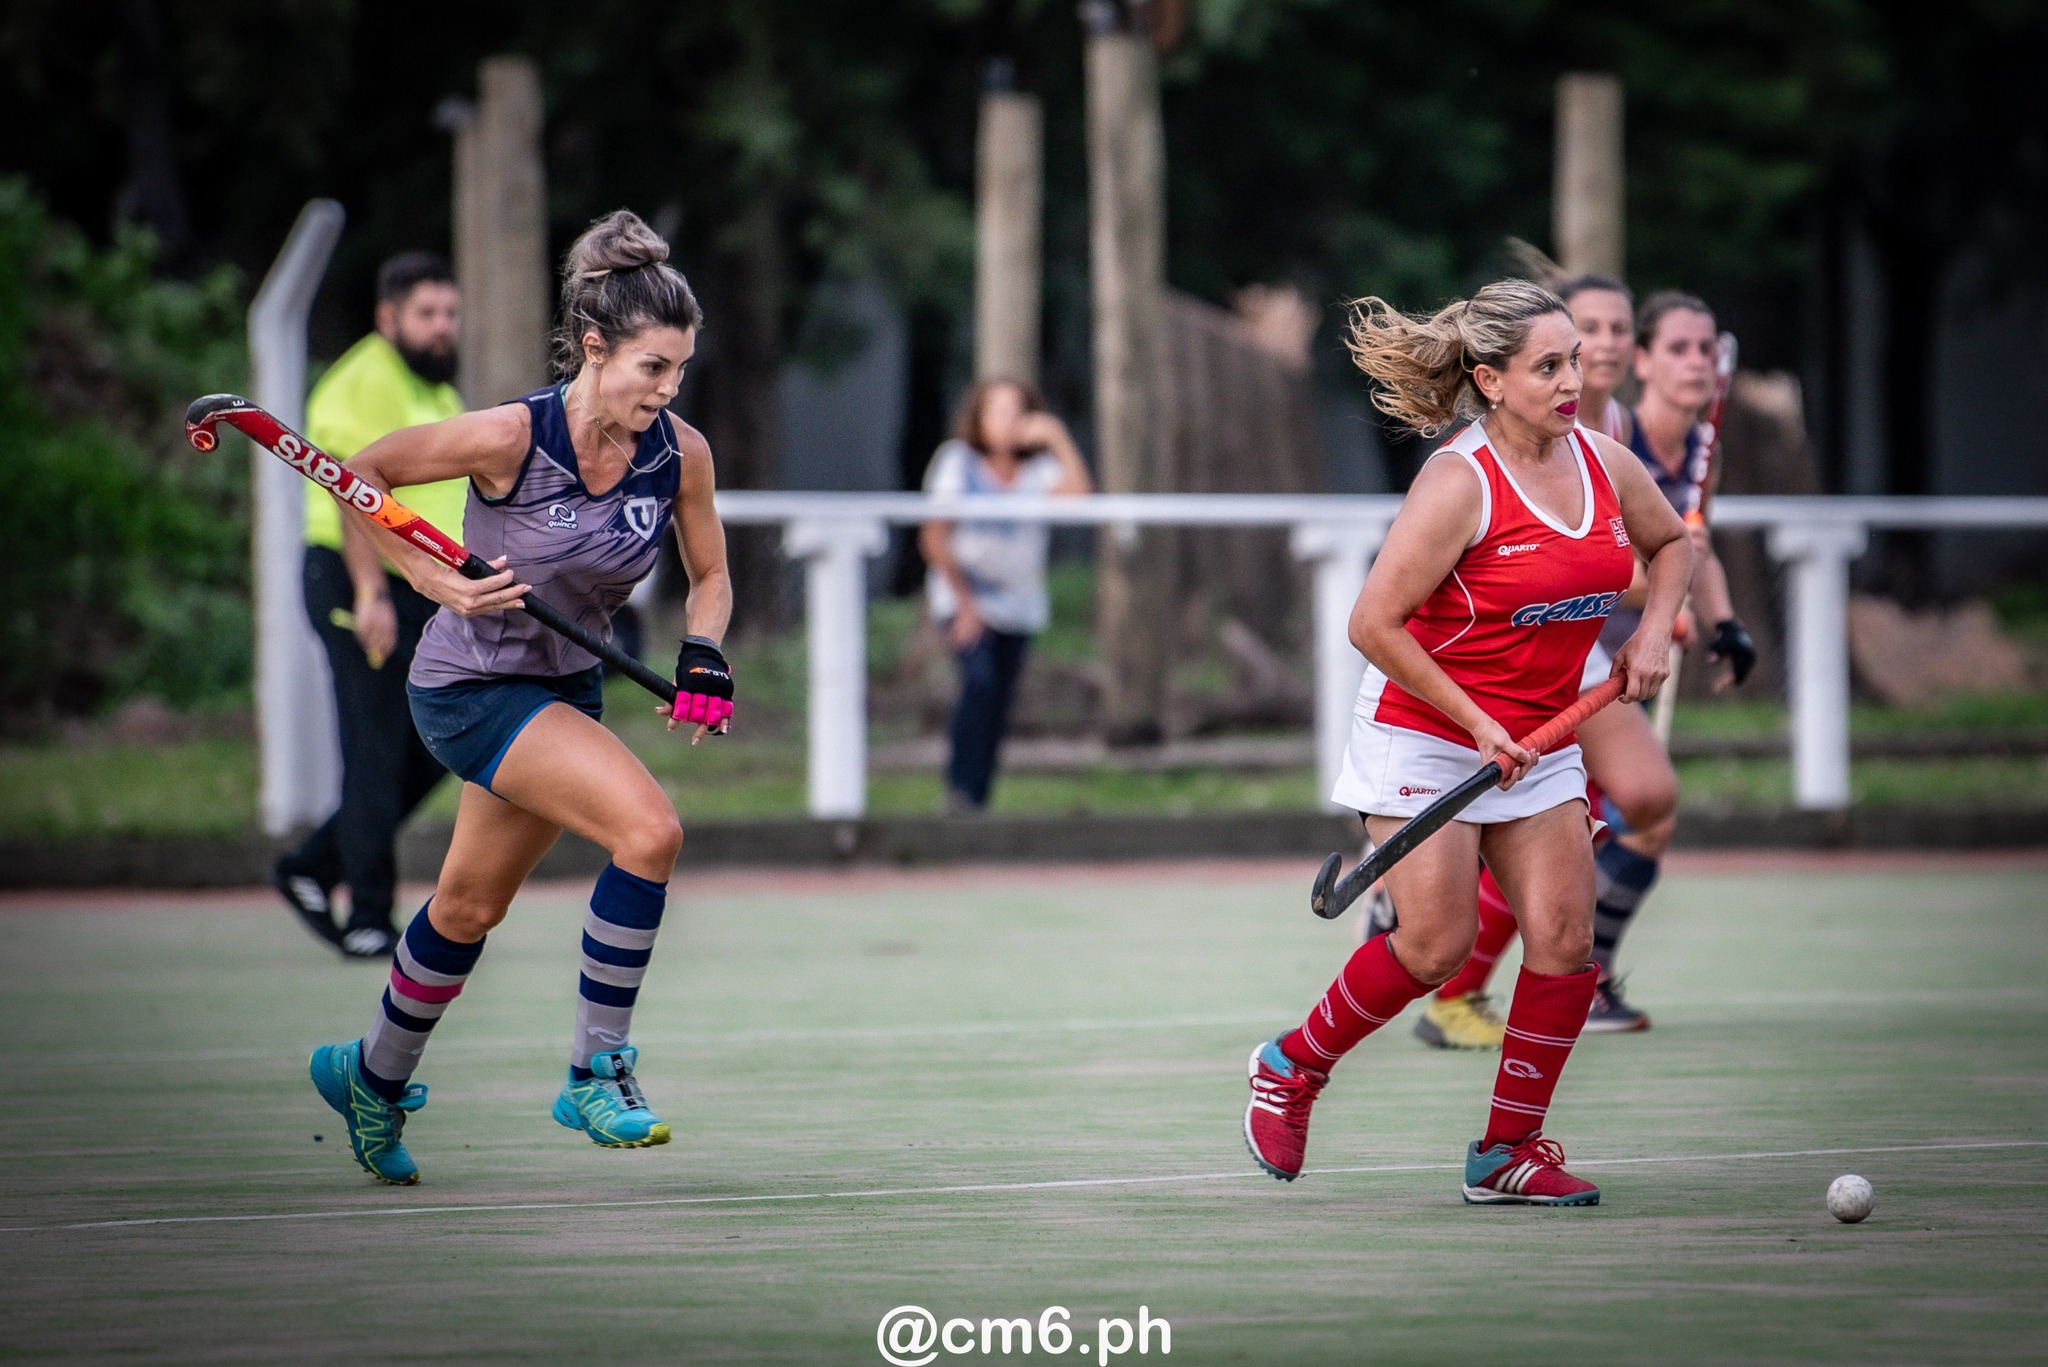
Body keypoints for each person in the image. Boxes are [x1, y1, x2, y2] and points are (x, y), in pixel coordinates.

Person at [307, 210, 735, 1185]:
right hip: (470, 686)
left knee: (465, 904)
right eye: (651, 369)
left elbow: (708, 574)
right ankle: (596, 1068)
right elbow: (363, 474)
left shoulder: (680, 454)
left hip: (561, 689)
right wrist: (433, 580)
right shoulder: (510, 435)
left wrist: (702, 648)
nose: (667, 391)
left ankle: (370, 1072)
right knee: (649, 831)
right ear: (595, 347)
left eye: (679, 371)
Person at [1242, 279, 1691, 1203]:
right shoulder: (1460, 481)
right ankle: (1291, 1064)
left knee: (1565, 939)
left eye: (1574, 359)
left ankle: (1508, 1150)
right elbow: (1374, 622)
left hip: (1537, 738)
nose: (1575, 379)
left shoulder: (1607, 463)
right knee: (1437, 945)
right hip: (1425, 733)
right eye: (1549, 366)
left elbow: (1674, 545)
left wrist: (1652, 633)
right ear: (1488, 379)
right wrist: (1477, 721)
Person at [1389, 283, 1759, 1047]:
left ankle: (1565, 987)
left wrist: (1709, 622)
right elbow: (1558, 564)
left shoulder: (1664, 446)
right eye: (1589, 335)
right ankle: (1433, 949)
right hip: (1533, 654)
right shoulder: (1574, 431)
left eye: (1604, 338)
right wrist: (1657, 611)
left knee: (1609, 827)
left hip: (1578, 653)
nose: (1595, 358)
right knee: (1621, 805)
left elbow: (1685, 542)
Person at [270, 252, 467, 959]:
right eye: (426, 313)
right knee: (376, 745)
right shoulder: (366, 380)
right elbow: (351, 492)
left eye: (449, 312)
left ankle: (314, 864)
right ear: (389, 317)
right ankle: (370, 916)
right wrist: (372, 592)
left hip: (417, 585)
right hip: (360, 580)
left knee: (440, 739)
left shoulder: (435, 390)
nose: (442, 326)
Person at [918, 379, 1092, 813]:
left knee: (999, 703)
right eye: (998, 411)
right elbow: (935, 538)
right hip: (967, 600)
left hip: (1018, 606)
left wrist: (1057, 437)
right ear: (978, 418)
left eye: (1017, 412)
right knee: (978, 684)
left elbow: (1080, 498)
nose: (1008, 422)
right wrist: (966, 605)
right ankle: (959, 791)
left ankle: (979, 799)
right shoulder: (957, 462)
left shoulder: (1038, 472)